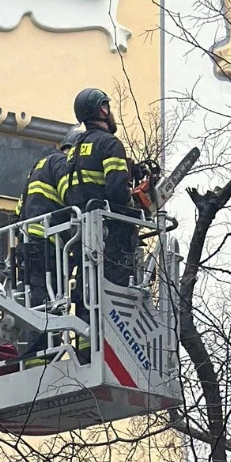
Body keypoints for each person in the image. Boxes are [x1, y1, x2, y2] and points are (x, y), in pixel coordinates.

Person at [57, 88, 140, 290]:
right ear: (103, 109)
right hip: (110, 235)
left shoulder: (74, 149)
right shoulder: (109, 144)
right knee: (116, 287)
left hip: (81, 232)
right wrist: (135, 208)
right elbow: (117, 191)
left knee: (86, 287)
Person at [17, 123, 85, 308]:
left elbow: (18, 211)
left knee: (34, 302)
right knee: (47, 306)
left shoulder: (38, 167)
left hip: (28, 245)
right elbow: (70, 195)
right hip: (47, 246)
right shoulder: (61, 163)